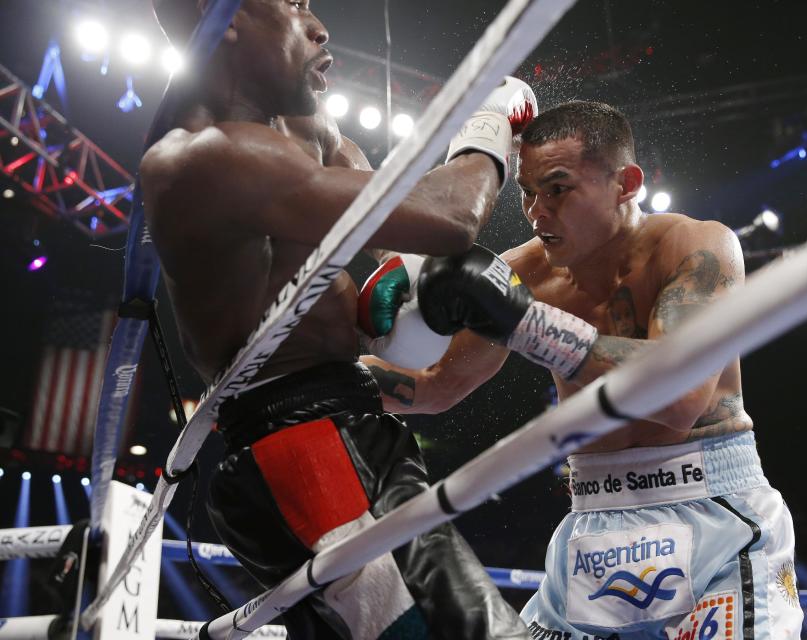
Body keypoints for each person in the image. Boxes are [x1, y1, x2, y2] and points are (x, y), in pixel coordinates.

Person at [140, 0, 536, 638]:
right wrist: (489, 125)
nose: (318, 24)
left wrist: (405, 296)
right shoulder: (207, 156)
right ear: (226, 18)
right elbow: (450, 216)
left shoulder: (309, 130)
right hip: (299, 444)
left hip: (351, 421)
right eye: (294, 3)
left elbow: (405, 243)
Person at [362, 101, 804, 640]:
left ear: (626, 183)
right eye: (526, 192)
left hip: (714, 512)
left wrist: (526, 323)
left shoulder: (697, 245)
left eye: (557, 189)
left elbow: (681, 396)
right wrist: (331, 377)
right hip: (592, 524)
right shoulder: (520, 273)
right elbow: (435, 389)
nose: (536, 211)